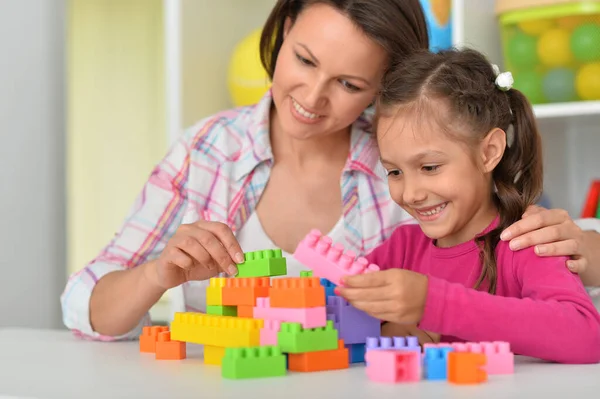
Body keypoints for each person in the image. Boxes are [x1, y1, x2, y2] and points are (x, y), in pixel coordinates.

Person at [61, 0, 600, 341]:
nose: (312, 100)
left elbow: (531, 257)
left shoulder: (407, 146)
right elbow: (84, 302)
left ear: (385, 89)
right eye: (304, 59)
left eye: (349, 84)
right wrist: (159, 273)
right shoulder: (207, 152)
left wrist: (588, 251)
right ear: (284, 26)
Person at [337, 48, 600, 364]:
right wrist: (389, 329)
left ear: (489, 152)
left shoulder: (525, 244)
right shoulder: (401, 250)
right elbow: (334, 316)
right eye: (394, 171)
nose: (410, 193)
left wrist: (432, 305)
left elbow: (585, 336)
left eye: (430, 167)